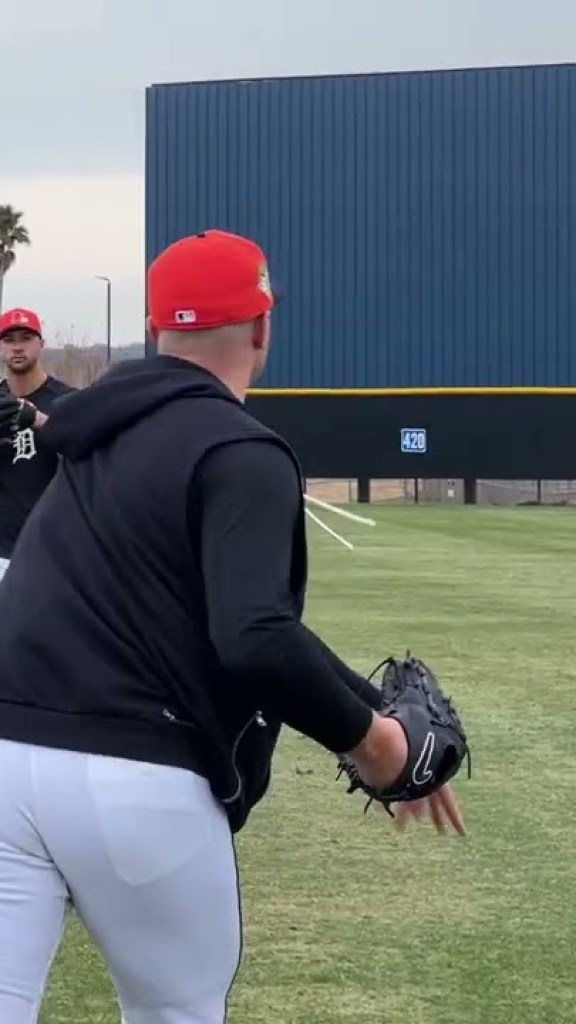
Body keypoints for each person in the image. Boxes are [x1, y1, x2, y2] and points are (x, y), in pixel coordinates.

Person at [0, 228, 466, 1024]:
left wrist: (366, 705)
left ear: (156, 330)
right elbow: (254, 635)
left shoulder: (92, 436)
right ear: (261, 325)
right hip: (139, 780)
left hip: (8, 759)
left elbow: (248, 625)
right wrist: (380, 744)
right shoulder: (241, 448)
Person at [0, 307, 76, 579]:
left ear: (41, 344)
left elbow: (88, 453)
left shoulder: (66, 401)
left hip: (51, 549)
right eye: (9, 340)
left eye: (26, 338)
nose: (17, 347)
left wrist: (40, 421)